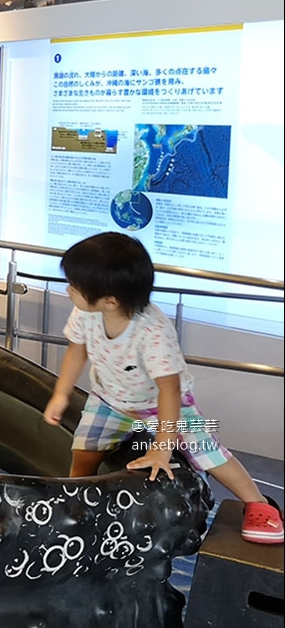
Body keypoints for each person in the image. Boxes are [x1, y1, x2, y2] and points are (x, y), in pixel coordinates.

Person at [43, 232, 282, 544]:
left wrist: (161, 446)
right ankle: (76, 503)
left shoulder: (153, 332)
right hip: (109, 400)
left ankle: (259, 505)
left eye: (74, 286)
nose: (68, 290)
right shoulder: (86, 312)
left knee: (207, 452)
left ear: (110, 301)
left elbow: (168, 390)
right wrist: (61, 394)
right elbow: (77, 350)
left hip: (165, 406)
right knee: (84, 451)